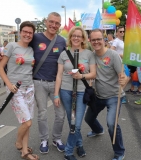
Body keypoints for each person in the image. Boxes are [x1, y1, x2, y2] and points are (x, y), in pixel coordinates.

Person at [0, 21, 39, 160]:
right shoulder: (11, 46)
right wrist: (9, 85)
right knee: (27, 122)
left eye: (30, 33)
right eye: (25, 32)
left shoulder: (31, 49)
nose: (27, 34)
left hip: (29, 88)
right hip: (15, 90)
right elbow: (0, 67)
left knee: (26, 121)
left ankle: (25, 151)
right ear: (20, 32)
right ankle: (18, 142)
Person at [54, 26, 96, 160]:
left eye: (79, 36)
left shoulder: (89, 54)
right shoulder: (64, 54)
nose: (76, 38)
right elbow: (59, 75)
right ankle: (79, 144)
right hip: (66, 90)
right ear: (70, 37)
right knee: (71, 120)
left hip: (81, 92)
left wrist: (82, 77)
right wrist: (56, 94)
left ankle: (68, 151)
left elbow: (93, 73)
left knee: (76, 124)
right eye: (74, 35)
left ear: (83, 38)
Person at [85, 29, 127, 160]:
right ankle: (98, 130)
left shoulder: (113, 55)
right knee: (88, 119)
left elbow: (123, 76)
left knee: (111, 124)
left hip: (114, 96)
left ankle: (119, 152)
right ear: (90, 41)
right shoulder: (91, 56)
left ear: (104, 40)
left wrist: (123, 79)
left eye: (99, 39)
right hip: (97, 96)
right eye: (93, 40)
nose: (96, 42)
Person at [29, 12, 66, 154]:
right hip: (39, 82)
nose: (53, 25)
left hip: (56, 83)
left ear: (60, 25)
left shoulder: (62, 41)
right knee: (42, 114)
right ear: (46, 22)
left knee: (61, 114)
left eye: (57, 23)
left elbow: (67, 59)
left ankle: (56, 138)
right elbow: (22, 46)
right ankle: (44, 139)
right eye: (51, 22)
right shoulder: (36, 37)